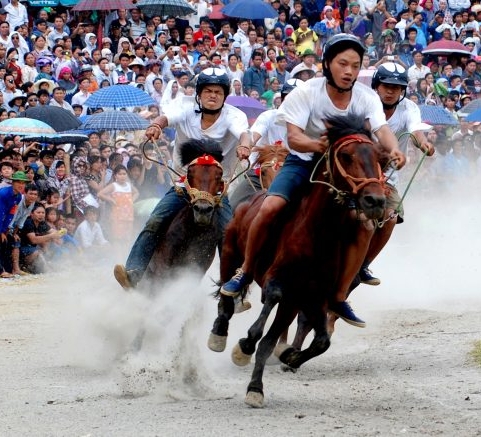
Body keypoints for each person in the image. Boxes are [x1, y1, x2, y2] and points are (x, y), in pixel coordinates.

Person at [220, 34, 406, 328]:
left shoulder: (367, 97)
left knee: (369, 222)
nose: (349, 71)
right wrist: (318, 146)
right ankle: (244, 270)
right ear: (327, 63)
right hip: (303, 162)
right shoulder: (306, 92)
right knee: (270, 207)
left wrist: (393, 148)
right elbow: (293, 137)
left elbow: (381, 129)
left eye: (355, 66)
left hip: (345, 169)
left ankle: (340, 295)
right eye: (342, 63)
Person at [113, 67, 251, 289]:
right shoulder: (185, 106)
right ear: (199, 94)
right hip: (184, 183)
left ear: (225, 95)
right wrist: (157, 125)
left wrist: (245, 145)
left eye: (218, 91)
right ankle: (133, 272)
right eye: (208, 91)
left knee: (230, 234)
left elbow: (243, 133)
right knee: (155, 220)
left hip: (217, 188)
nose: (213, 95)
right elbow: (167, 117)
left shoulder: (235, 116)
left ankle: (234, 289)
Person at [361, 61, 434, 285]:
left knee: (391, 218)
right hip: (358, 173)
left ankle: (363, 266)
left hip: (387, 177)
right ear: (377, 86)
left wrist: (424, 145)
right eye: (386, 86)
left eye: (397, 87)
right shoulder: (365, 104)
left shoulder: (409, 108)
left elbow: (416, 131)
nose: (391, 91)